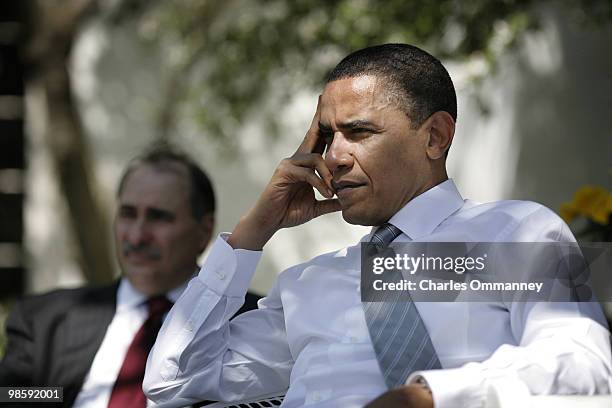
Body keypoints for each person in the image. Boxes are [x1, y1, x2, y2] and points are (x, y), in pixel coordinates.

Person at [143, 44, 612, 408]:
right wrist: (251, 233)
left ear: (435, 137)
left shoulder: (513, 232)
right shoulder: (310, 283)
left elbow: (585, 365)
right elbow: (173, 382)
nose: (332, 157)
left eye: (360, 132)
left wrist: (428, 397)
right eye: (327, 136)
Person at [0, 145, 261, 407]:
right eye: (127, 214)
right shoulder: (44, 319)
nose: (136, 236)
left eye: (159, 218)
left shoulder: (257, 322)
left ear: (204, 231)